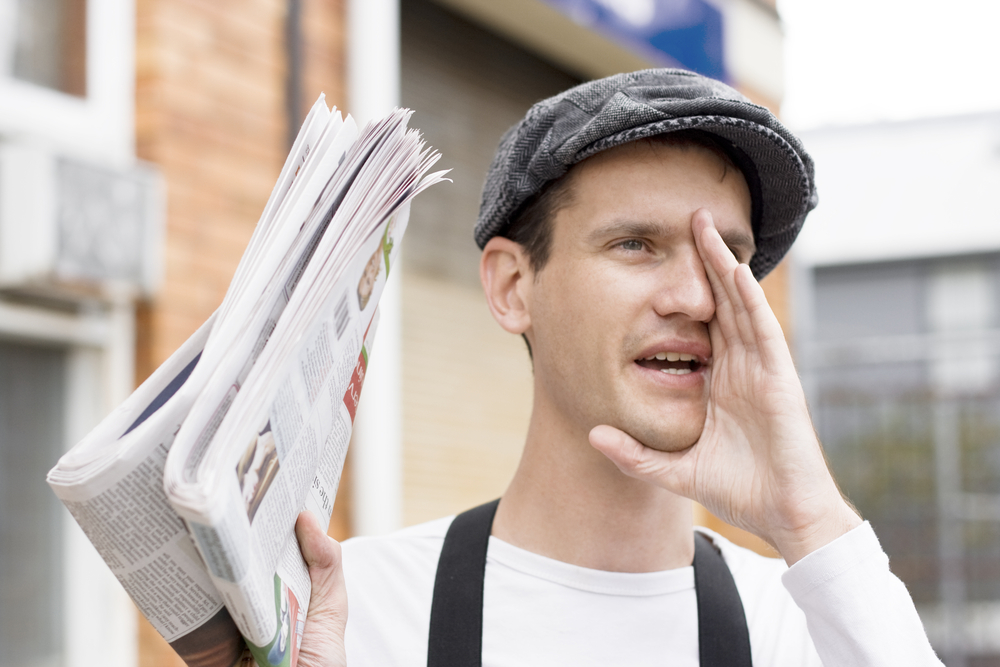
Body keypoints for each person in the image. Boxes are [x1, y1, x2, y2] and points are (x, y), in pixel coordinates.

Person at [292, 69, 944, 666]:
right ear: (514, 286)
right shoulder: (351, 613)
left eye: (728, 256)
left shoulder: (808, 626)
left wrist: (809, 516)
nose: (694, 297)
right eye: (636, 244)